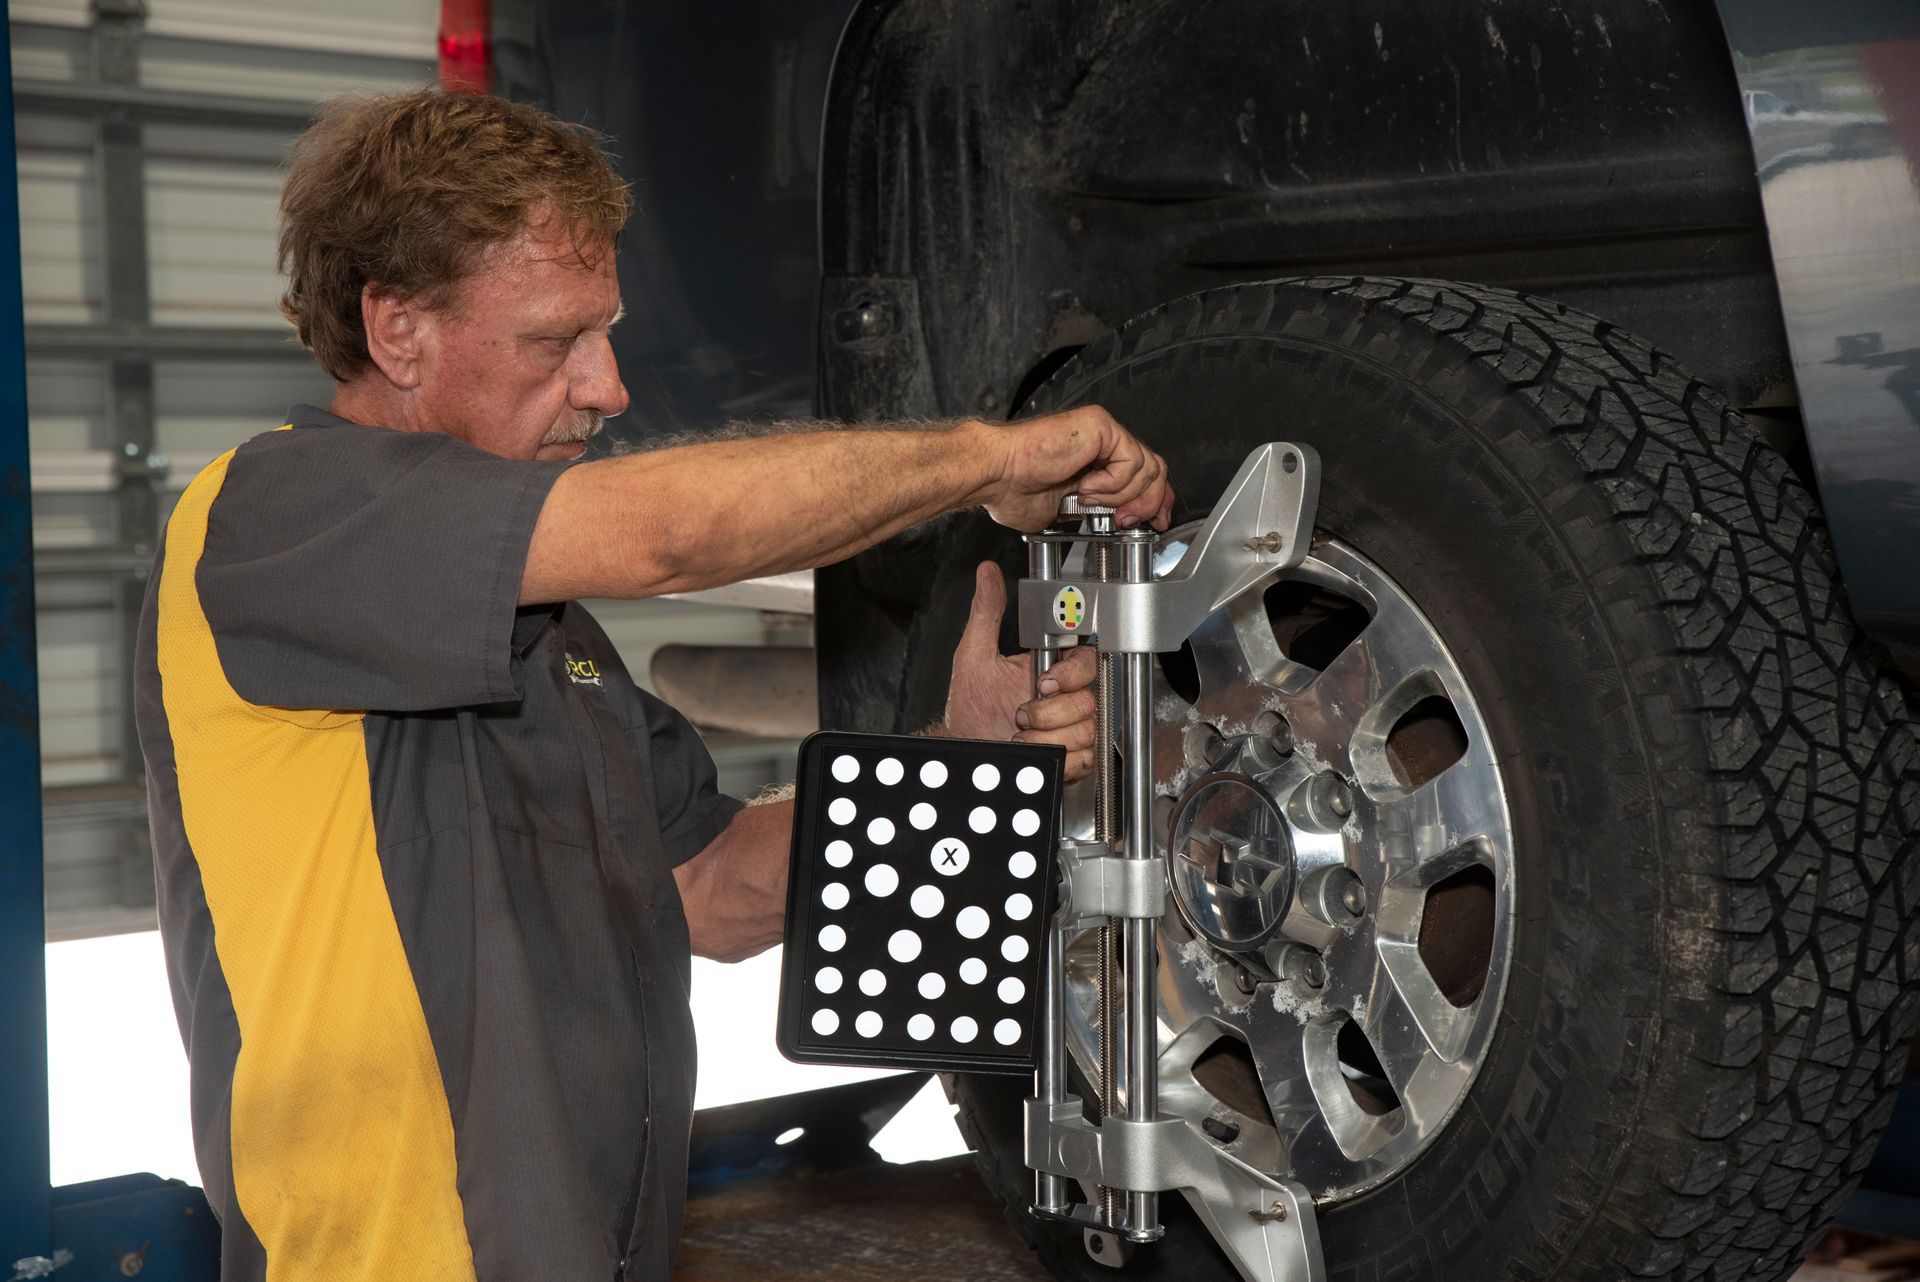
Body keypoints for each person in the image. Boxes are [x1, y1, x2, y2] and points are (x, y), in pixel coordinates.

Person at [133, 89, 1172, 1282]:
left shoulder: (556, 645)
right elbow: (667, 535)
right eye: (554, 341)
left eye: (608, 330)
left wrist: (965, 757)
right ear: (397, 327)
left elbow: (709, 889)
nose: (609, 385)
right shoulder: (267, 518)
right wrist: (992, 458)